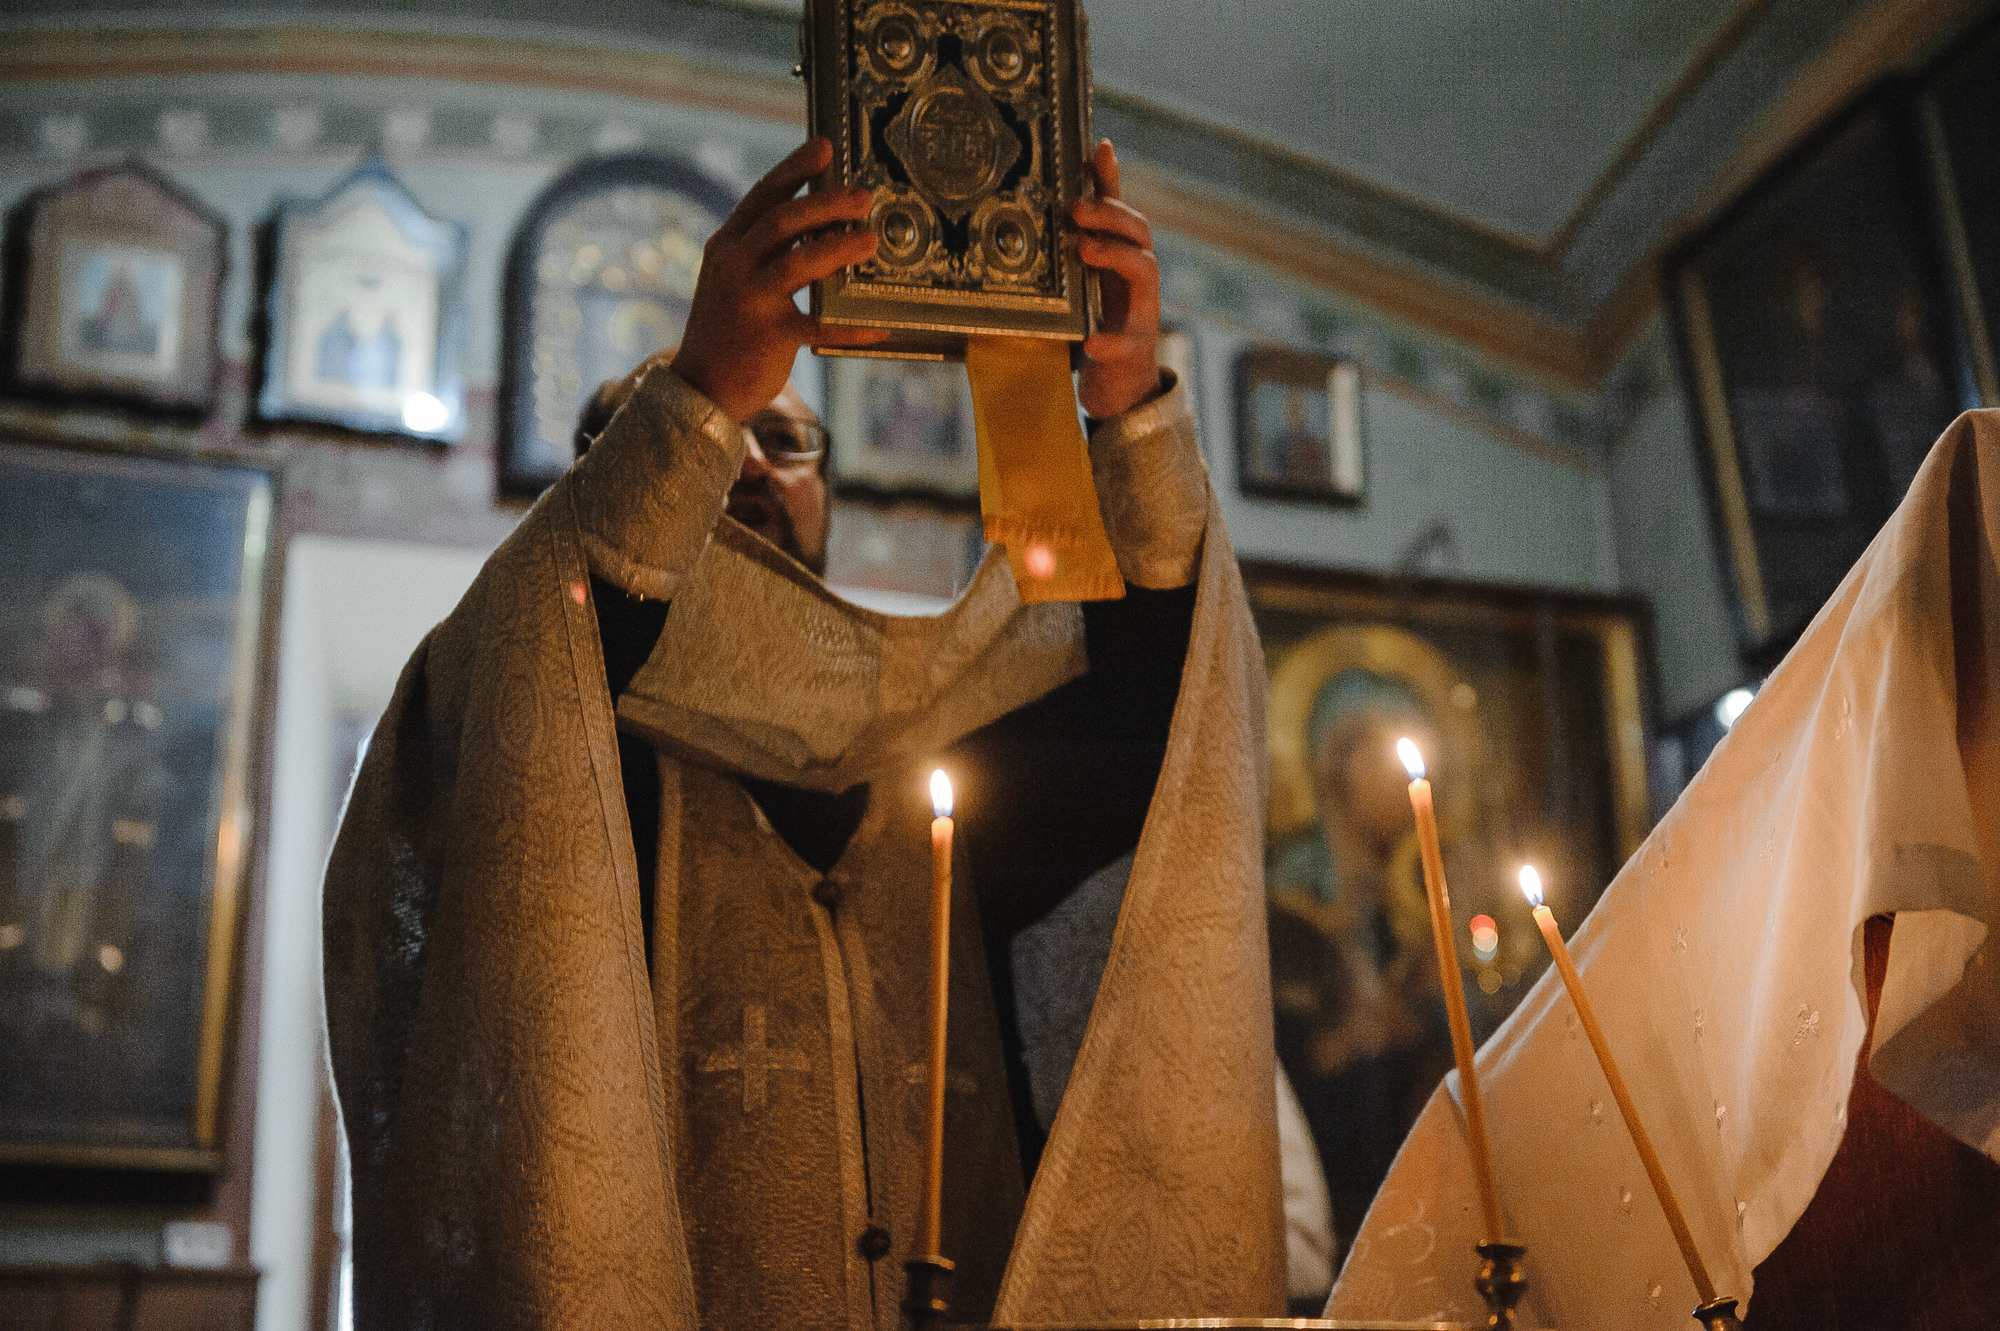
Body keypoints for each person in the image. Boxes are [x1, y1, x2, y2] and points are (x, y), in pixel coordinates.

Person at [324, 136, 1286, 1328]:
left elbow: (1170, 714)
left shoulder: (956, 754)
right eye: (716, 424)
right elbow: (530, 650)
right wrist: (698, 394)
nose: (749, 461)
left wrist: (1129, 407)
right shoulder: (552, 748)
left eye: (785, 440)